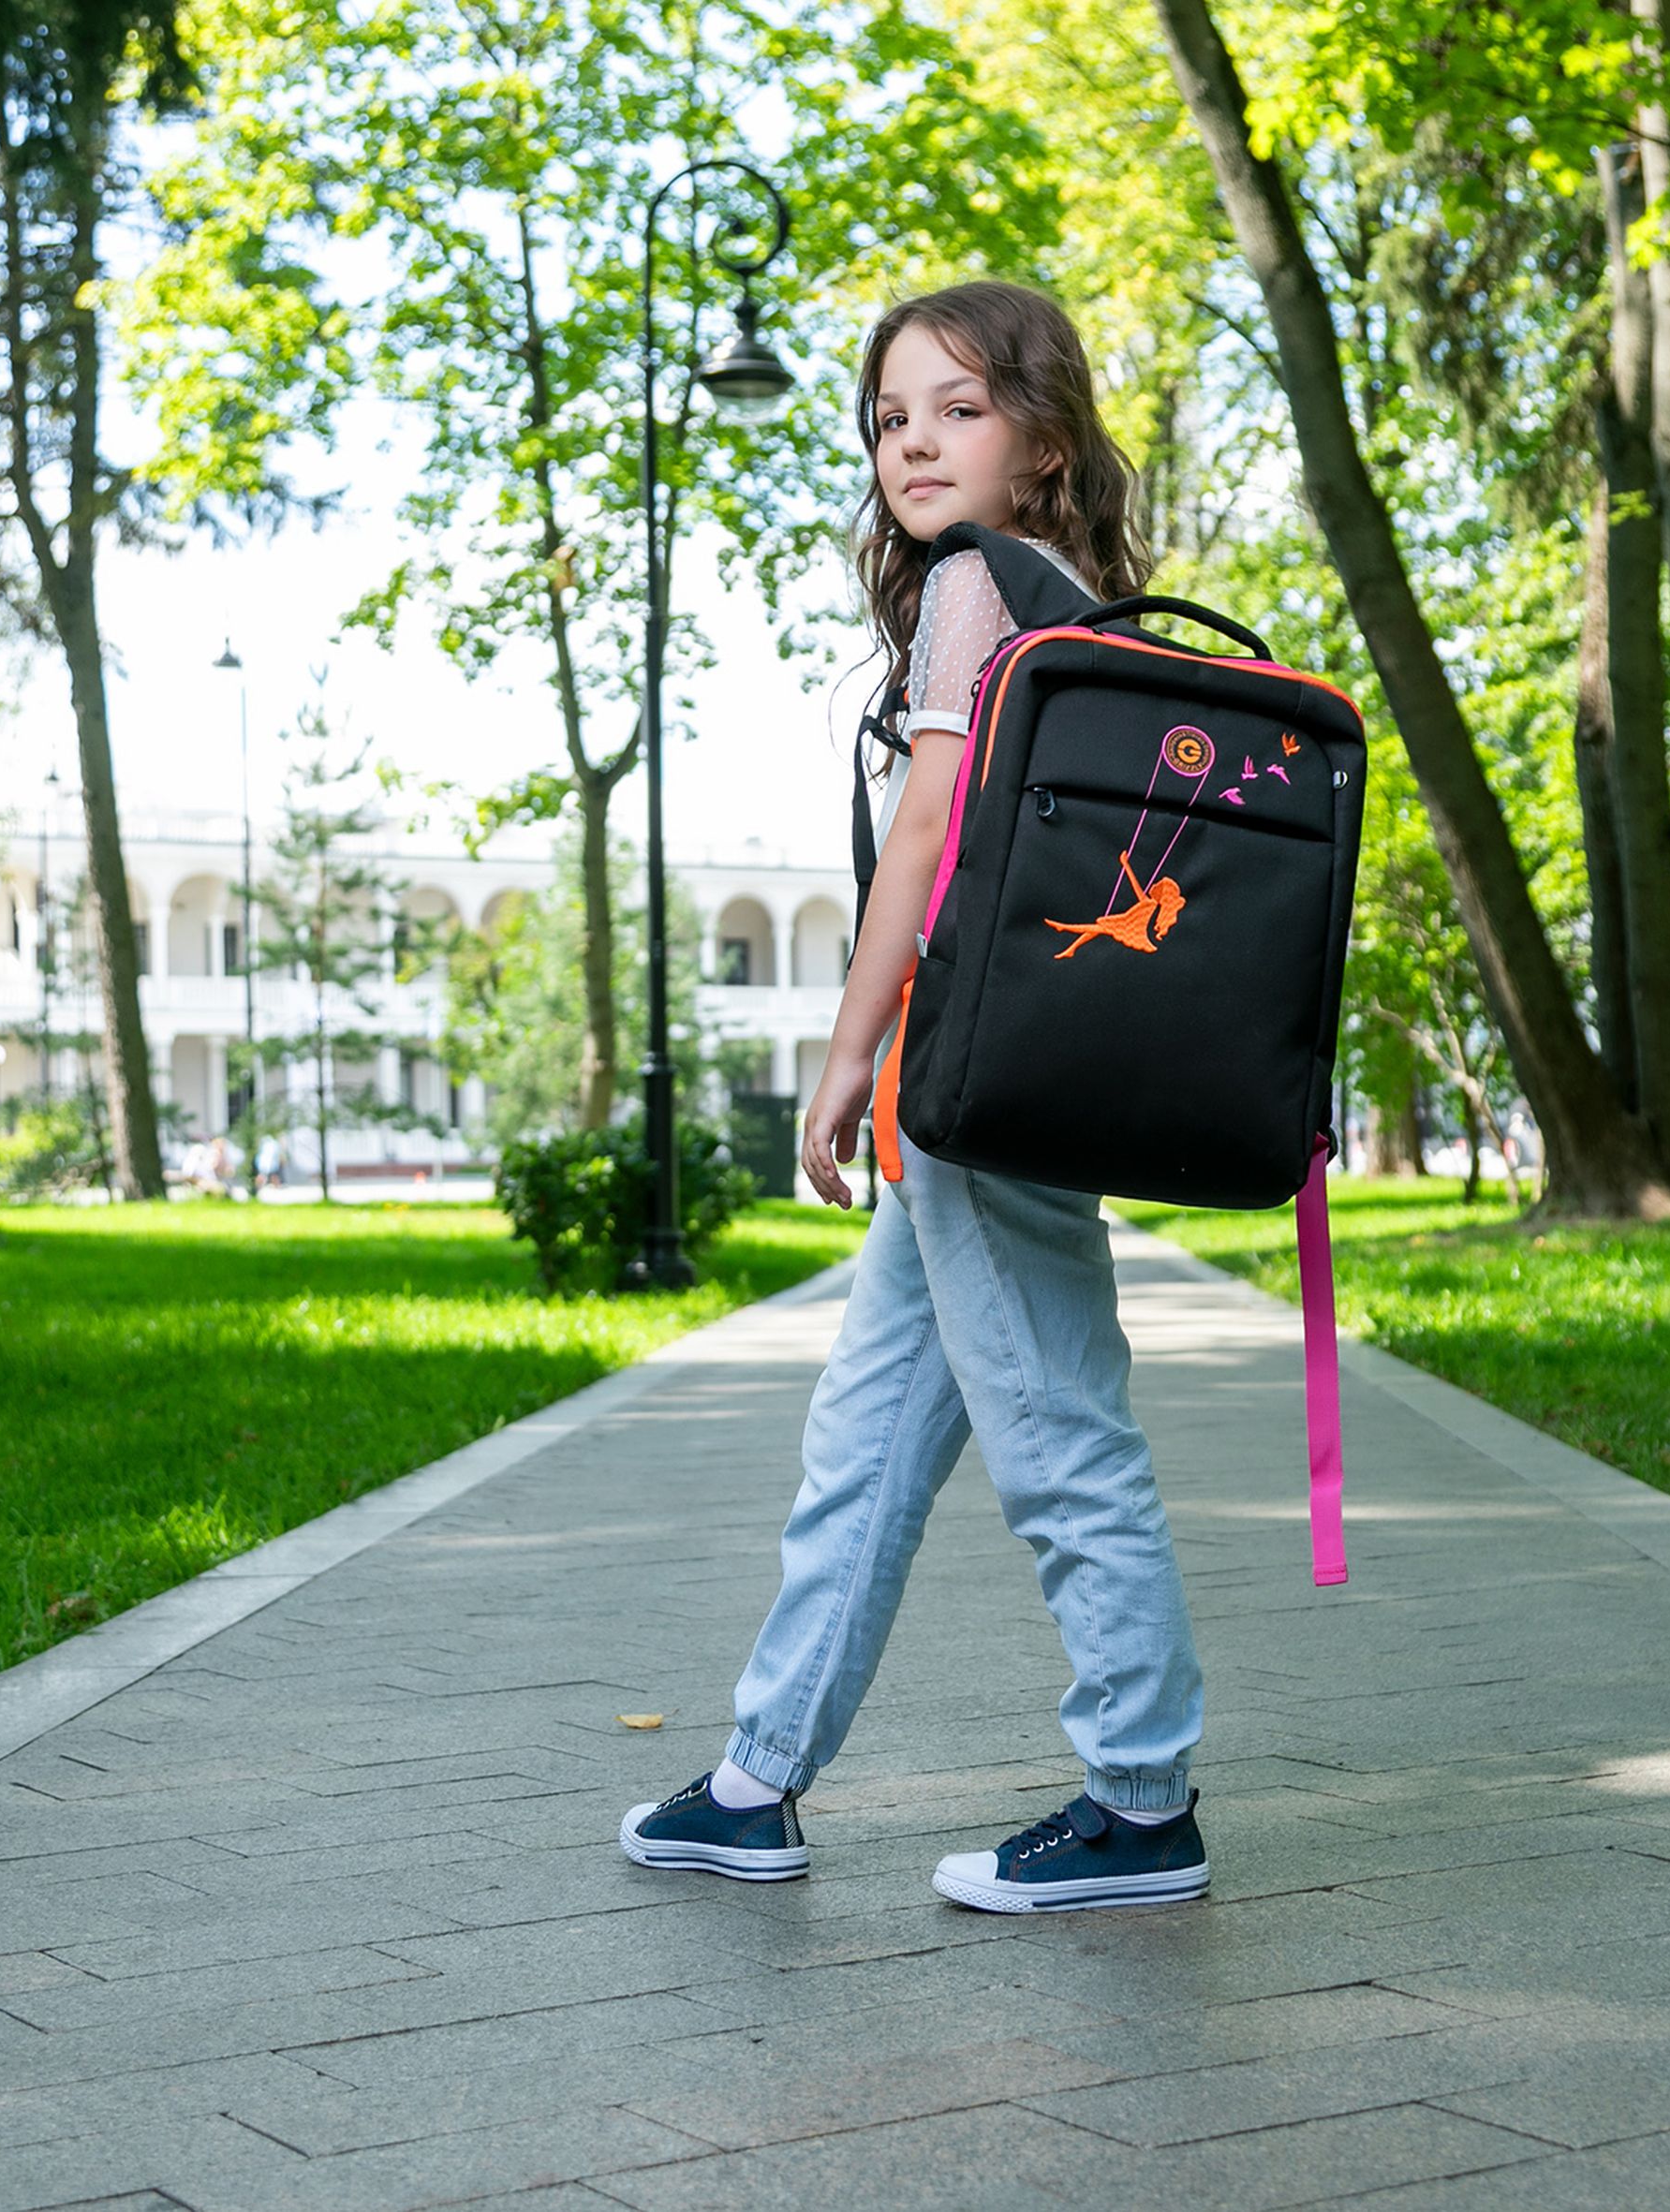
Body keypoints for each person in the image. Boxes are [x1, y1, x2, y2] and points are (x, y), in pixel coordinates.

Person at [620, 281, 1209, 1913]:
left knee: (1062, 1439)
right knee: (863, 1446)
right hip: (1005, 1087)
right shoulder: (1075, 598)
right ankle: (755, 1778)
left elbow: (934, 840)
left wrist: (844, 1052)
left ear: (1040, 433)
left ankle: (1143, 1799)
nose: (913, 444)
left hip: (970, 1089)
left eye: (958, 407)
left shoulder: (977, 588)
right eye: (890, 417)